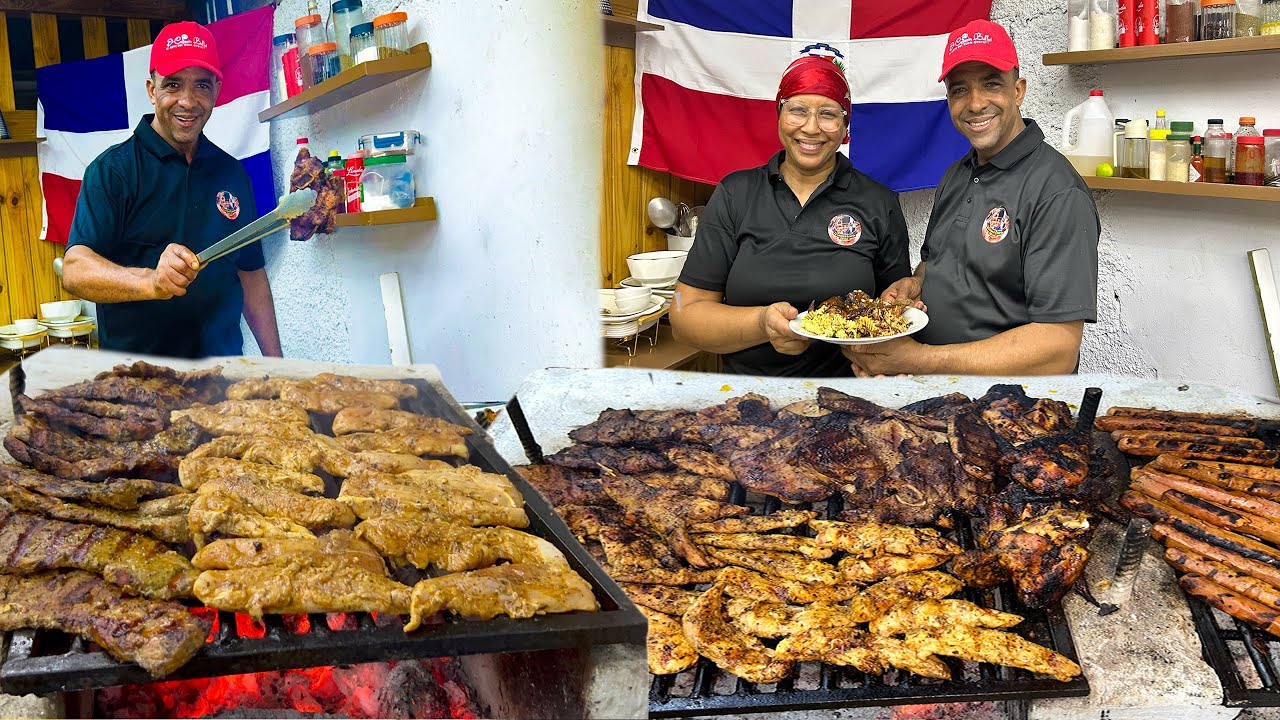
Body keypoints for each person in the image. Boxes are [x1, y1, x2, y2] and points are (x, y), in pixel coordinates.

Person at [843, 20, 1099, 378]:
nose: (975, 103)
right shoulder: (957, 174)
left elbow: (1058, 349)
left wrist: (918, 359)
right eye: (960, 89)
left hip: (1007, 403)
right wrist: (917, 283)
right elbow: (935, 262)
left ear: (1018, 91)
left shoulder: (1056, 192)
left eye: (991, 84)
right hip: (937, 390)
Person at [670, 55, 910, 377]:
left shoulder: (879, 202)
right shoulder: (735, 194)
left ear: (845, 126)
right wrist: (761, 324)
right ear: (779, 115)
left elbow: (895, 314)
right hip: (749, 395)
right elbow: (684, 319)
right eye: (798, 110)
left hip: (848, 391)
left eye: (828, 114)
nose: (811, 127)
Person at [61, 21, 282, 359]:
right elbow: (75, 269)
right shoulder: (113, 171)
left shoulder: (232, 173)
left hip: (224, 371)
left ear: (216, 91)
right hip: (138, 377)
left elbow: (250, 275)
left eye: (201, 85)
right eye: (173, 84)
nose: (188, 101)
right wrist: (150, 282)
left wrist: (277, 364)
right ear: (152, 90)